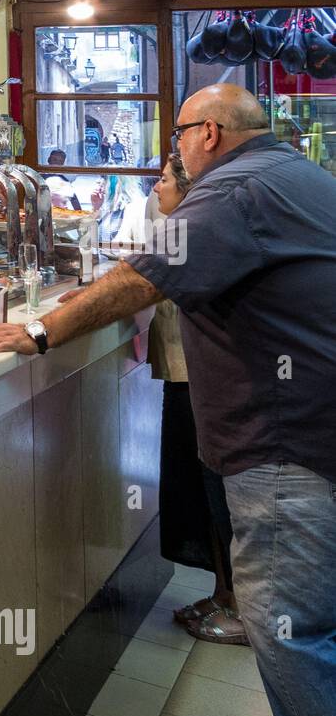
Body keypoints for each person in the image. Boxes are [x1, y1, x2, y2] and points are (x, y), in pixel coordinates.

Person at [0, 83, 336, 716]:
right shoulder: (296, 173)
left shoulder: (236, 186)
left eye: (179, 136)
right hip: (313, 428)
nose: (174, 151)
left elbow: (145, 277)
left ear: (207, 133)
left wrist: (38, 327)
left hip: (285, 441)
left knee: (289, 627)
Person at [144, 158, 242, 644]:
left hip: (201, 382)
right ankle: (224, 594)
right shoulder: (179, 230)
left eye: (164, 179)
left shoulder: (193, 237)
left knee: (215, 496)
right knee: (201, 494)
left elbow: (148, 283)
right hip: (187, 379)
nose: (156, 185)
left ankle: (235, 605)